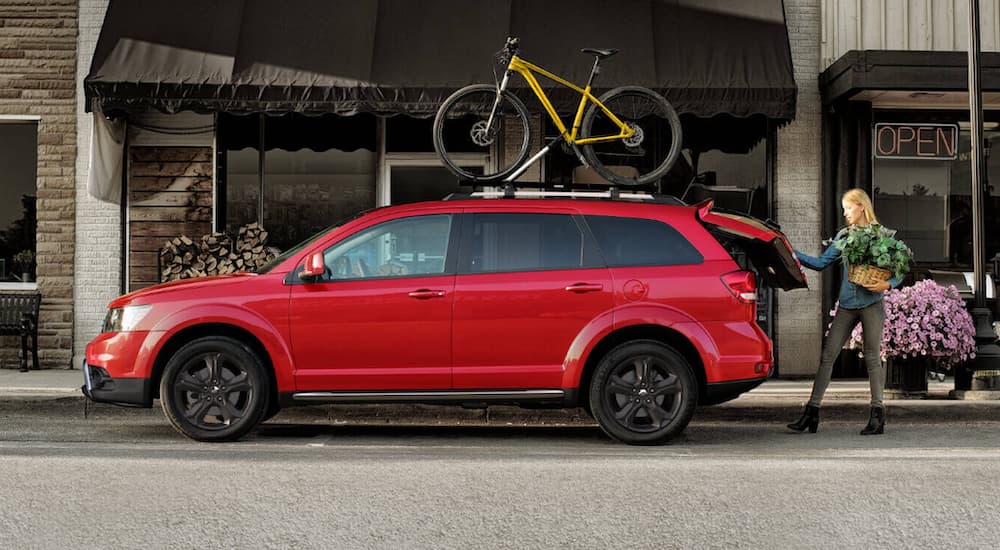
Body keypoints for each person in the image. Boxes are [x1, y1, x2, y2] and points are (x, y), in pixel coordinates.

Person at [787, 188, 901, 436]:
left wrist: (888, 284)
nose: (845, 213)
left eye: (848, 208)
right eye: (844, 209)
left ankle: (877, 415)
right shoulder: (845, 236)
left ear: (861, 206)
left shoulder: (880, 235)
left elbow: (899, 268)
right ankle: (811, 412)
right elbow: (820, 263)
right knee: (828, 356)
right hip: (847, 304)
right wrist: (791, 252)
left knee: (872, 356)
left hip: (872, 302)